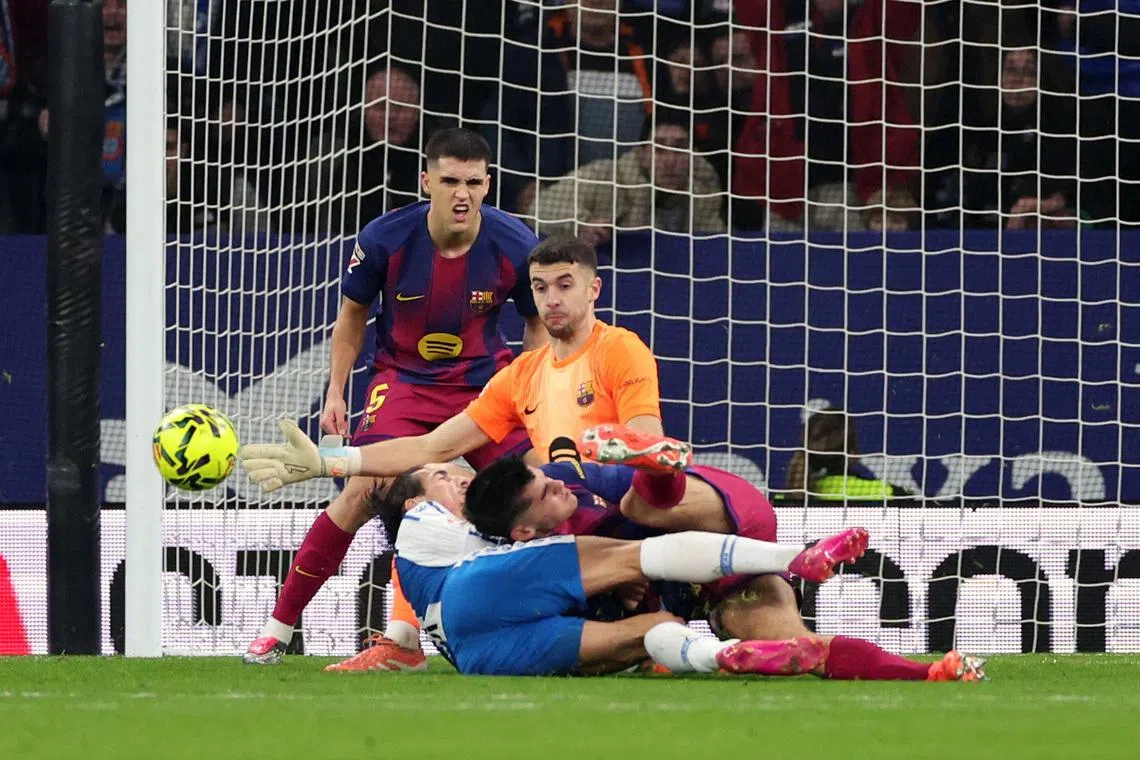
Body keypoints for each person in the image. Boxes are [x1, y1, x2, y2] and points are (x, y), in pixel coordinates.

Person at [243, 127, 545, 666]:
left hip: (485, 385)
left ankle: (599, 628)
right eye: (450, 180)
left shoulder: (516, 245)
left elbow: (535, 328)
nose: (462, 194)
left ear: (488, 184)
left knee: (541, 488)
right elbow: (352, 317)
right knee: (362, 490)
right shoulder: (386, 238)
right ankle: (278, 628)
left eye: (474, 182)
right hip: (404, 381)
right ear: (425, 180)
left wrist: (531, 395)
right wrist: (337, 391)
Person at [455, 434, 986, 682]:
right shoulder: (516, 571)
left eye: (548, 476)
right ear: (521, 531)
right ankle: (928, 674)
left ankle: (656, 463)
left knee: (641, 505)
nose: (557, 485)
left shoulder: (574, 481)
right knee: (798, 648)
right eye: (544, 492)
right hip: (707, 587)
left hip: (720, 518)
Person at [352, 461, 865, 676]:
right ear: (414, 504)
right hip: (483, 590)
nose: (458, 479)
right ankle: (795, 557)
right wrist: (346, 461)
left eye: (455, 470)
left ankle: (726, 654)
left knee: (652, 632)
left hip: (481, 655)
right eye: (442, 478)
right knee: (635, 558)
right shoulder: (425, 518)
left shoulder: (422, 556)